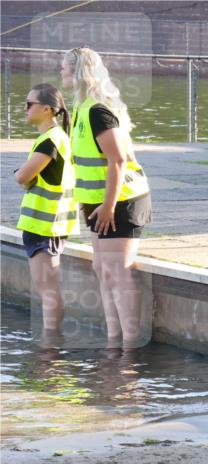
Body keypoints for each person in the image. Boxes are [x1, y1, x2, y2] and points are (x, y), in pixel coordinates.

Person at [61, 47, 152, 348]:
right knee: (102, 268)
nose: (61, 73)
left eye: (64, 68)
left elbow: (117, 161)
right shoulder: (80, 109)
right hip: (97, 203)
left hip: (120, 201)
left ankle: (130, 347)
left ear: (78, 72)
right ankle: (114, 341)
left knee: (118, 270)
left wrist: (109, 206)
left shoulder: (97, 111)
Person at [14, 83, 77, 343]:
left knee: (48, 290)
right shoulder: (53, 138)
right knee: (46, 289)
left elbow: (23, 176)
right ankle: (51, 346)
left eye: (30, 104)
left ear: (48, 109)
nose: (25, 109)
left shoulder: (51, 140)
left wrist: (22, 176)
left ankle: (51, 350)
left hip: (45, 225)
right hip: (44, 225)